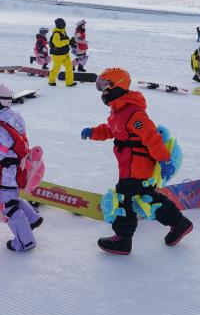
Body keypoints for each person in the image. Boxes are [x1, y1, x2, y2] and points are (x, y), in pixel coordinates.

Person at [81, 67, 192, 255]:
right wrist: (93, 132)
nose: (102, 92)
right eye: (99, 86)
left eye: (104, 87)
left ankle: (123, 239)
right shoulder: (119, 111)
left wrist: (164, 161)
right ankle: (179, 223)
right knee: (148, 197)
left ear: (117, 86)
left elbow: (152, 138)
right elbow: (111, 129)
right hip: (129, 167)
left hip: (137, 168)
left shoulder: (134, 114)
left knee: (123, 197)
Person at [0, 83, 43, 252]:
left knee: (7, 206)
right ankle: (32, 219)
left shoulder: (0, 128)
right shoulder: (13, 116)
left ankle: (25, 242)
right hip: (16, 169)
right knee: (12, 198)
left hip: (7, 174)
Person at [48, 18, 75, 87]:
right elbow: (57, 44)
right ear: (59, 24)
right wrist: (67, 41)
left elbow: (66, 40)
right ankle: (51, 81)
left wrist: (70, 41)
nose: (64, 25)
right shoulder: (56, 33)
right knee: (56, 68)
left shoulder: (63, 32)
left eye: (64, 23)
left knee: (69, 67)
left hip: (65, 54)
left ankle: (69, 82)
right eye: (63, 24)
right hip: (58, 55)